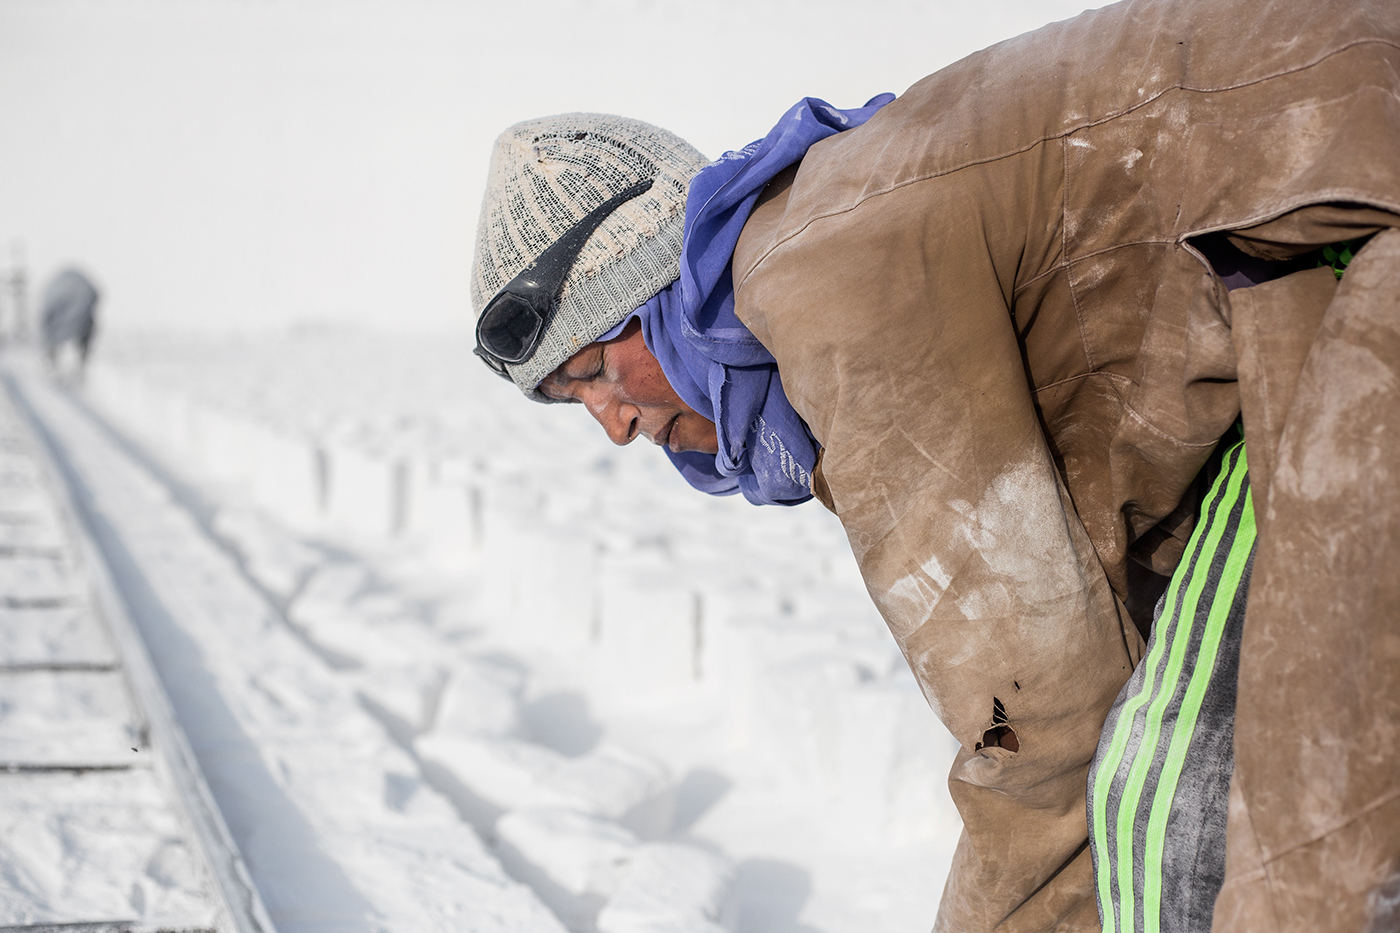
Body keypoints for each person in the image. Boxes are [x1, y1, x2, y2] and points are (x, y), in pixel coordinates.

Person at [468, 0, 1400, 930]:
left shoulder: (825, 289)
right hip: (1293, 271)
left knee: (1206, 821)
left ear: (648, 289)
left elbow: (1039, 725)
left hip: (1346, 227)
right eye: (573, 403)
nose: (614, 426)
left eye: (594, 371)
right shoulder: (810, 273)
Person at [40, 268, 99, 373]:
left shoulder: (82, 298)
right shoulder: (63, 296)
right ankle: (53, 367)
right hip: (57, 325)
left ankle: (76, 369)